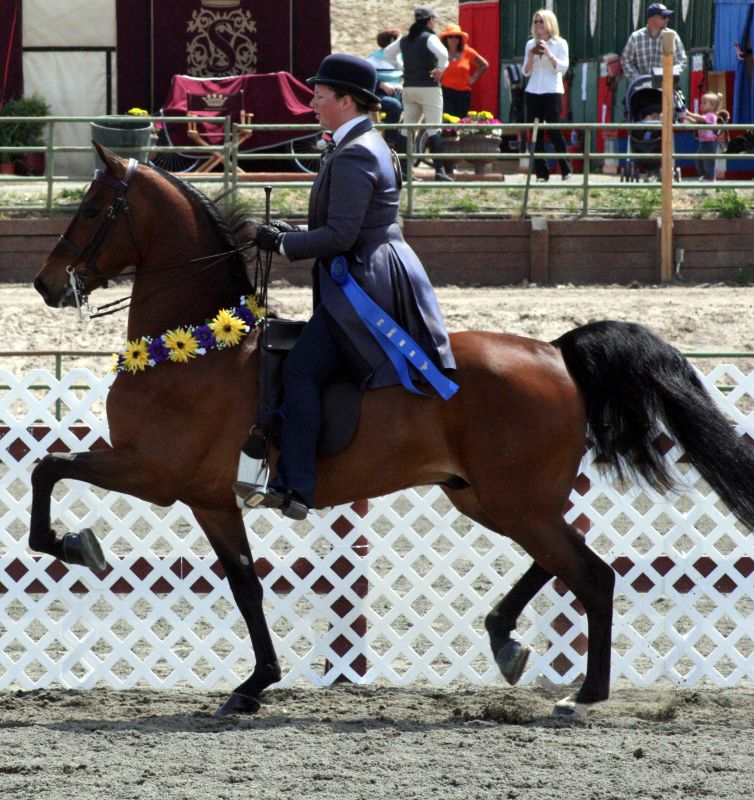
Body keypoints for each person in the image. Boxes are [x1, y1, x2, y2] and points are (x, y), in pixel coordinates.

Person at [234, 54, 457, 520]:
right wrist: (289, 229)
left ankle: (298, 486)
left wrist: (284, 243)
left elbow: (340, 237)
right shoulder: (356, 144)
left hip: (365, 281)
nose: (312, 101)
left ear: (346, 100)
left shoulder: (356, 152)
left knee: (301, 370)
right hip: (365, 267)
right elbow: (338, 222)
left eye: (319, 94)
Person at [384, 6, 453, 181]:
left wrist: (402, 68)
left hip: (409, 87)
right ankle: (439, 171)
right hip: (429, 88)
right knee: (433, 128)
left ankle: (404, 171)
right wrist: (439, 69)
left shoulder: (405, 40)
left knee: (408, 127)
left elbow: (387, 53)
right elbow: (444, 54)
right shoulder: (429, 38)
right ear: (430, 21)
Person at [521, 8, 571, 182]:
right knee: (535, 132)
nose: (538, 25)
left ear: (549, 24)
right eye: (535, 21)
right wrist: (530, 55)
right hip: (533, 91)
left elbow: (562, 68)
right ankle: (541, 172)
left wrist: (549, 54)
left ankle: (565, 168)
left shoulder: (560, 43)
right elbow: (525, 72)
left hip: (552, 91)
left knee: (554, 130)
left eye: (541, 21)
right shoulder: (530, 44)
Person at [621, 3, 687, 84]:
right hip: (642, 88)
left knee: (679, 97)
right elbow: (626, 61)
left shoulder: (672, 35)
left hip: (667, 86)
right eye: (664, 17)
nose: (667, 19)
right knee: (627, 97)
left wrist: (668, 74)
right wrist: (638, 78)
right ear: (651, 19)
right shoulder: (635, 37)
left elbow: (682, 61)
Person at [439, 23, 489, 119]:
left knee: (461, 121)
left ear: (460, 39)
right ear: (446, 39)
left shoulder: (467, 51)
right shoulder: (441, 52)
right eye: (450, 37)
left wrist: (473, 78)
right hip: (446, 92)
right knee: (448, 120)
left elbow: (484, 65)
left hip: (463, 93)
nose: (454, 39)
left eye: (457, 37)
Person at [367, 28, 404, 147]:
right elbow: (366, 78)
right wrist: (382, 85)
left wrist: (403, 86)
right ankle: (390, 141)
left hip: (400, 92)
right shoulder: (374, 59)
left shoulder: (401, 58)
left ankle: (406, 139)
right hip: (379, 94)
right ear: (392, 40)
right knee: (394, 105)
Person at [685, 92, 728, 182]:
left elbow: (700, 119)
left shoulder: (711, 116)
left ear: (712, 106)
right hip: (703, 142)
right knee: (699, 159)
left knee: (709, 161)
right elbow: (697, 122)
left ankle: (711, 178)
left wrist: (689, 113)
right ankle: (704, 175)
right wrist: (687, 117)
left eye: (705, 103)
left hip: (710, 143)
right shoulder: (704, 116)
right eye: (701, 102)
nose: (702, 105)